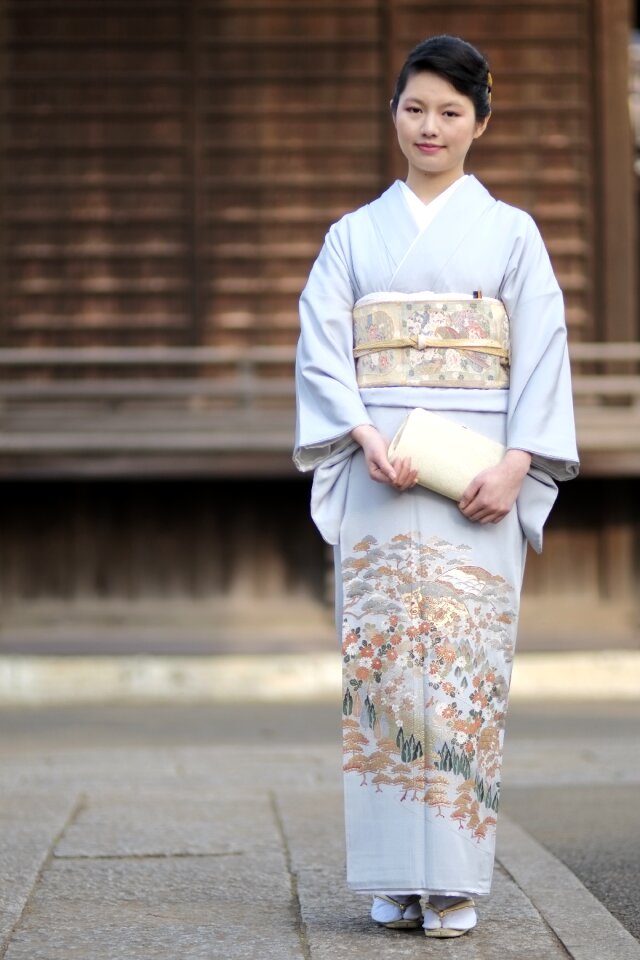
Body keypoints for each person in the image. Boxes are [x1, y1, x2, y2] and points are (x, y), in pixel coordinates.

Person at [294, 35, 578, 939]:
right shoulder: (350, 236)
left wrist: (518, 463)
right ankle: (392, 875)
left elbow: (542, 352)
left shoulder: (511, 234)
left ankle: (452, 881)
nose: (431, 126)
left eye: (452, 111)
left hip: (479, 478)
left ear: (481, 122)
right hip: (383, 468)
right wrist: (366, 434)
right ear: (394, 116)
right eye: (415, 107)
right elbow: (322, 350)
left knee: (461, 671)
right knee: (381, 674)